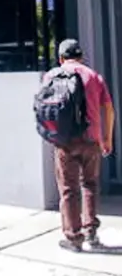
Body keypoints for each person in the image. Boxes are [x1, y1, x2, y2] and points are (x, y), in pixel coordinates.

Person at [45, 39, 115, 252]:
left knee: (68, 190)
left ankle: (74, 238)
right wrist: (107, 138)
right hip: (91, 140)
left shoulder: (51, 76)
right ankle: (91, 233)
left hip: (64, 142)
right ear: (81, 56)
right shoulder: (94, 76)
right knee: (90, 186)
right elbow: (109, 109)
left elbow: (44, 108)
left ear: (61, 58)